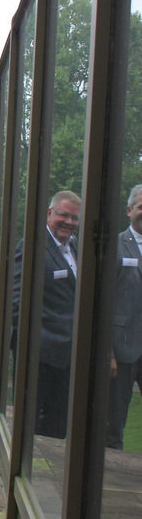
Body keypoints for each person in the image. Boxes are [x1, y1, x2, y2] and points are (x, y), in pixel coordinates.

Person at [11, 190, 80, 439]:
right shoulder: (32, 246)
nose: (69, 222)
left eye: (75, 218)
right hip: (39, 354)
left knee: (59, 424)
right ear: (49, 213)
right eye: (64, 215)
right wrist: (34, 343)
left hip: (68, 355)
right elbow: (15, 300)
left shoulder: (77, 247)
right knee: (30, 424)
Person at [107, 185, 142, 449]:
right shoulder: (114, 246)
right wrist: (107, 353)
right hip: (122, 351)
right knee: (113, 426)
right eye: (141, 206)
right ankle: (108, 472)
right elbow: (101, 304)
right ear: (129, 210)